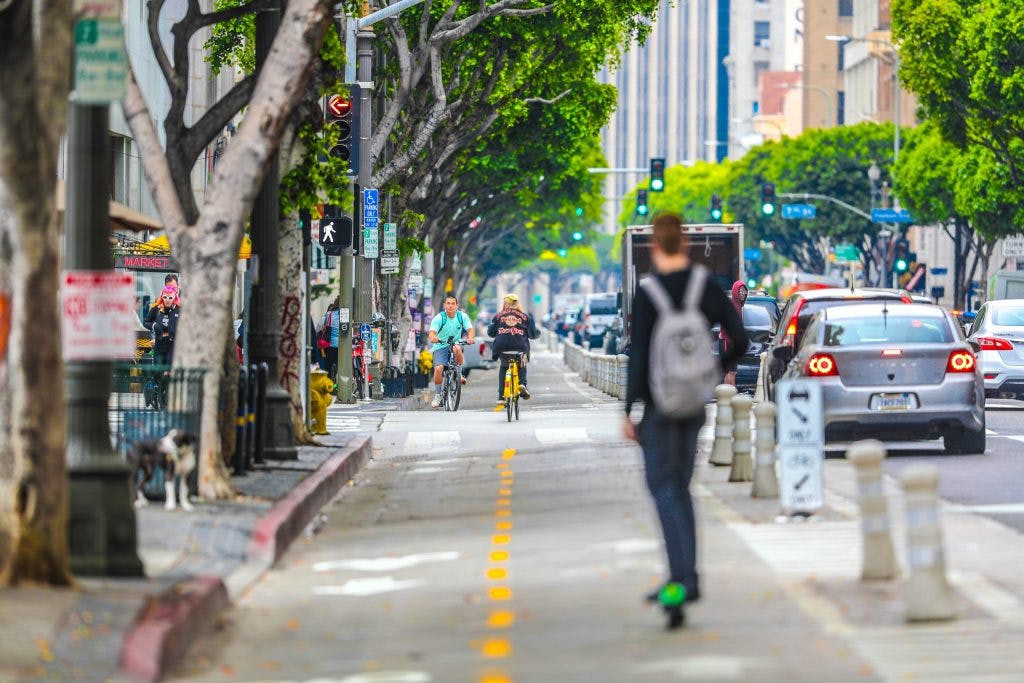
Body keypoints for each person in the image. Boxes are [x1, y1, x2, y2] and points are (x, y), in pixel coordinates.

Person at [622, 212, 747, 626]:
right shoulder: (704, 287)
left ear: (656, 246)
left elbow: (639, 357)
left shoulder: (648, 293)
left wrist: (629, 410)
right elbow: (740, 338)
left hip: (659, 408)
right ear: (687, 245)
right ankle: (684, 575)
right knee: (681, 487)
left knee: (664, 488)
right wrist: (713, 372)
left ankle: (681, 579)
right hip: (694, 406)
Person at [487, 293, 539, 402]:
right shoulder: (525, 317)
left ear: (505, 304)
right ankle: (523, 385)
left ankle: (501, 396)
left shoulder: (498, 316)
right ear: (517, 304)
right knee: (522, 364)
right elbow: (533, 335)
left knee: (504, 367)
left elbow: (490, 333)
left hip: (502, 349)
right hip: (520, 349)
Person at [428, 294, 475, 408]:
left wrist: (471, 338)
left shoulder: (461, 316)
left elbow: (470, 329)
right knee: (439, 368)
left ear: (457, 306)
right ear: (444, 305)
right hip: (441, 345)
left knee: (457, 348)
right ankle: (438, 395)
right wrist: (433, 337)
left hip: (456, 343)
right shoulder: (440, 318)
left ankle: (459, 374)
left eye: (453, 304)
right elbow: (432, 332)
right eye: (448, 303)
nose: (450, 306)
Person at [720, 280, 749, 386]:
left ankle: (729, 395)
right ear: (735, 292)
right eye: (740, 291)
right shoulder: (732, 306)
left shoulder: (738, 307)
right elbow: (726, 327)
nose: (743, 294)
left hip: (730, 343)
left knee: (731, 372)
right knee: (730, 372)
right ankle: (729, 395)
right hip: (728, 344)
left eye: (745, 292)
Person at [144, 285, 181, 366]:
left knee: (168, 368)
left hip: (172, 343)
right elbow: (146, 322)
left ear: (174, 298)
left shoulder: (178, 310)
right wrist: (154, 326)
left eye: (170, 298)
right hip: (159, 342)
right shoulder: (156, 308)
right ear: (162, 297)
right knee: (158, 369)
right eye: (165, 297)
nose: (167, 300)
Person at [317, 299, 340, 377]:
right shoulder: (347, 315)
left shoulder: (329, 314)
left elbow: (323, 326)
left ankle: (328, 380)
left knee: (328, 364)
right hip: (342, 345)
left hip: (329, 344)